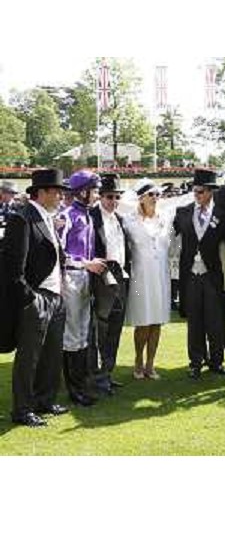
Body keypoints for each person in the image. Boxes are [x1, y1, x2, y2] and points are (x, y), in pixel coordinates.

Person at [3, 169, 69, 427]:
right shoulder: (23, 218)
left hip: (55, 295)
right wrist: (30, 299)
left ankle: (45, 400)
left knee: (52, 354)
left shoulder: (48, 217)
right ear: (41, 192)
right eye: (57, 191)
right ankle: (22, 409)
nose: (61, 196)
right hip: (37, 297)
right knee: (29, 357)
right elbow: (13, 267)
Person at [173, 169, 225, 379]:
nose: (197, 195)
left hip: (212, 274)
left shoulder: (222, 215)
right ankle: (195, 362)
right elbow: (167, 235)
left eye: (201, 191)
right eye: (195, 191)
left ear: (210, 192)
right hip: (190, 275)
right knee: (194, 321)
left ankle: (216, 361)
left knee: (215, 320)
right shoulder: (182, 213)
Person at [57, 170, 106, 407]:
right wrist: (86, 263)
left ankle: (83, 383)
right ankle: (74, 390)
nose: (97, 195)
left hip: (86, 277)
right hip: (71, 278)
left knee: (84, 333)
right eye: (95, 190)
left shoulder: (86, 215)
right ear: (83, 191)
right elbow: (58, 254)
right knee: (73, 335)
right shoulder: (67, 216)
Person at [123, 179, 171, 380]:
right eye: (151, 195)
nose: (155, 198)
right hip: (140, 277)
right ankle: (138, 360)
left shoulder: (165, 218)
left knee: (157, 322)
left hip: (160, 275)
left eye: (157, 195)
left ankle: (151, 364)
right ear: (141, 198)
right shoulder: (129, 220)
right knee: (143, 322)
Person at [89, 173, 130, 394]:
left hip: (120, 275)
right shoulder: (90, 217)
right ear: (100, 196)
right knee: (100, 328)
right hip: (101, 274)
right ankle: (98, 377)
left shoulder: (120, 219)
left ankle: (108, 372)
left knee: (115, 327)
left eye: (116, 197)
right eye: (109, 197)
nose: (113, 201)